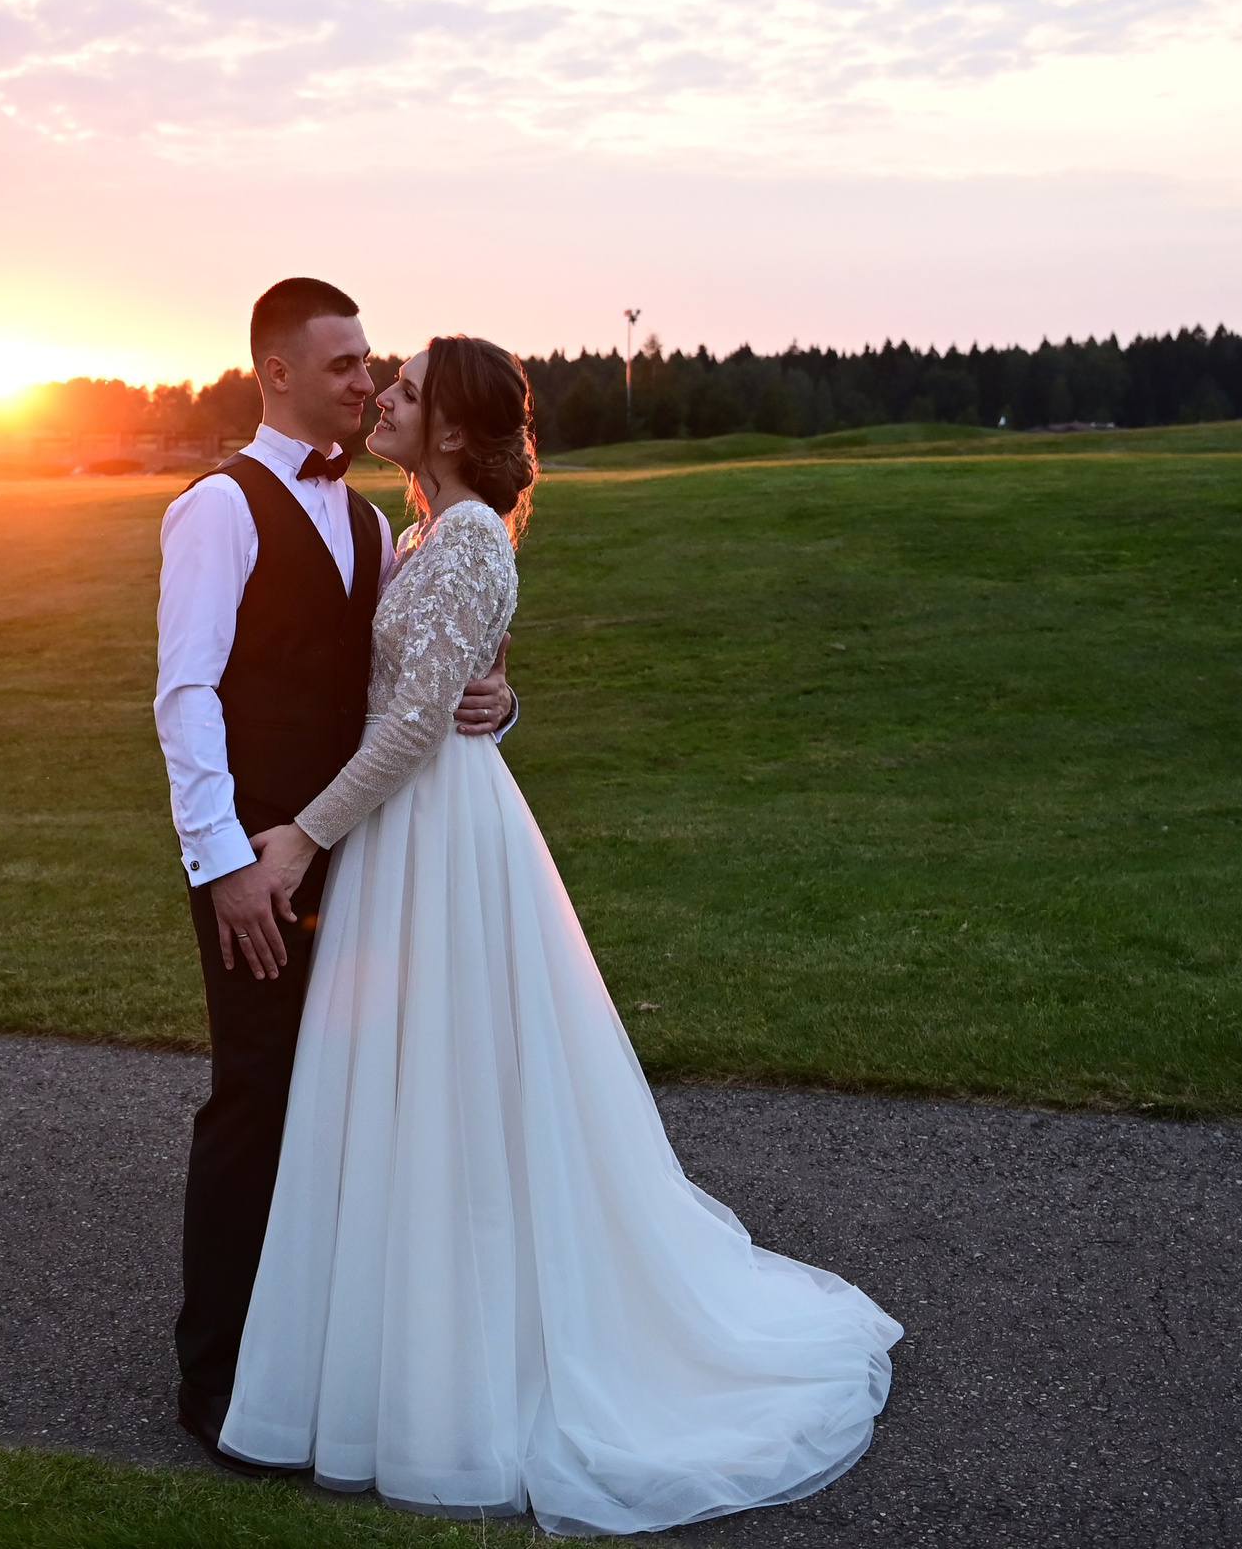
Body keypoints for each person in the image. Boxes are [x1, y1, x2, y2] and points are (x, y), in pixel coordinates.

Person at [220, 335, 901, 1535]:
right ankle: (399, 1356)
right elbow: (450, 688)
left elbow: (417, 725)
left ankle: (468, 1375)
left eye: (410, 390)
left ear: (451, 426)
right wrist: (500, 695)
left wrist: (302, 836)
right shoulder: (426, 529)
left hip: (425, 834)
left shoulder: (468, 534)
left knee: (455, 1095)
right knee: (416, 1095)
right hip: (417, 834)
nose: (384, 396)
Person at [155, 278, 515, 1469]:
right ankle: (215, 1374)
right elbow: (186, 696)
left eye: (375, 367)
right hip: (257, 861)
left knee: (355, 1107)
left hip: (369, 862)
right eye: (348, 364)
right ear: (277, 373)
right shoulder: (215, 508)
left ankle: (320, 1349)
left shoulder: (373, 522)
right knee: (254, 1101)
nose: (368, 382)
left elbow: (411, 689)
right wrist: (225, 865)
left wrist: (497, 701)